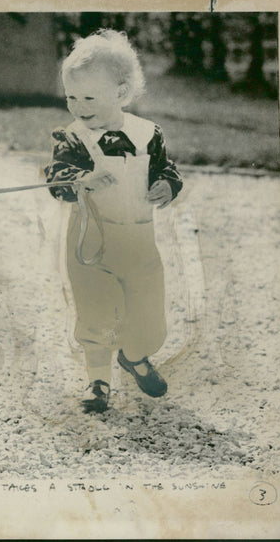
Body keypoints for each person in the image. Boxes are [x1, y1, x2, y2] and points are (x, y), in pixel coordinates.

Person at [44, 29, 183, 413]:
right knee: (96, 310)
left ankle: (135, 356)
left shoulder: (148, 134)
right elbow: (56, 179)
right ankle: (98, 381)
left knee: (149, 314)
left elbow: (167, 170)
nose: (78, 106)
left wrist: (166, 186)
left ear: (121, 94)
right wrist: (79, 182)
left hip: (139, 241)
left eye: (89, 97)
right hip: (90, 241)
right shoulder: (72, 139)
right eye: (71, 96)